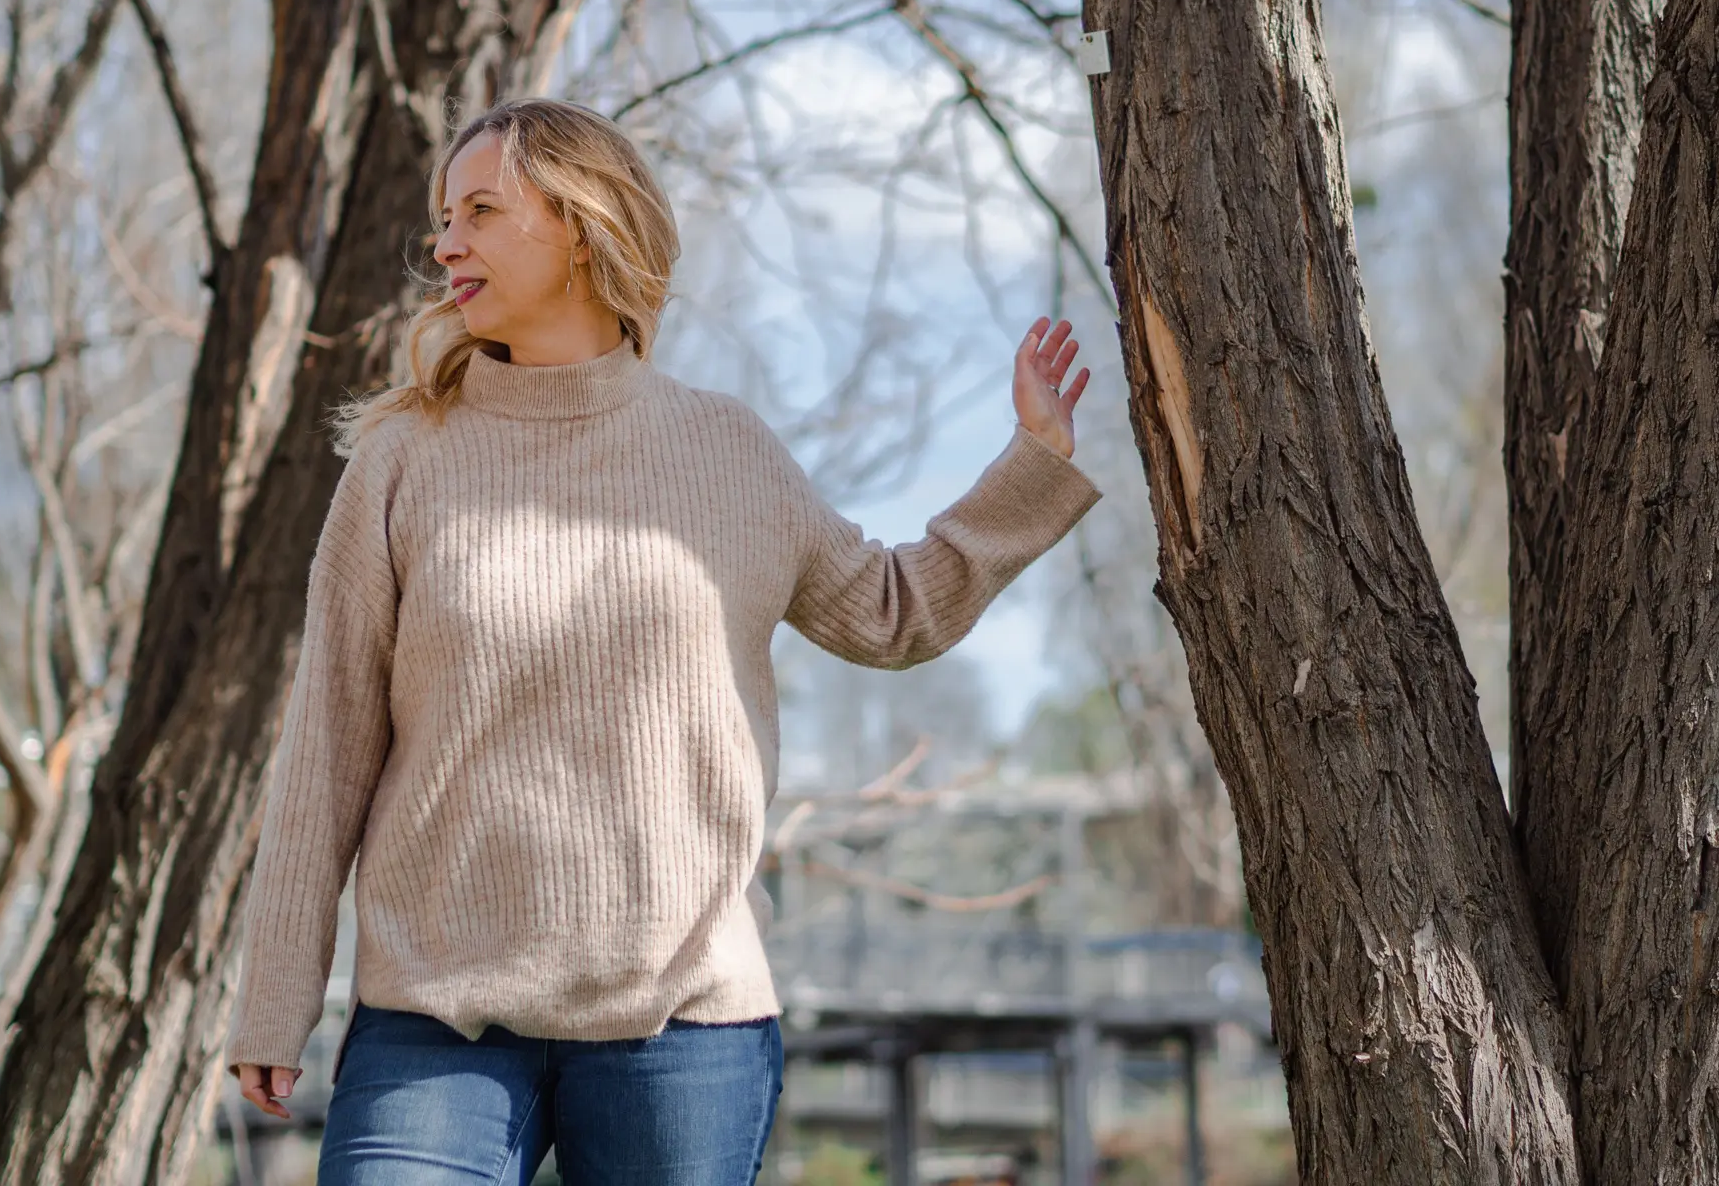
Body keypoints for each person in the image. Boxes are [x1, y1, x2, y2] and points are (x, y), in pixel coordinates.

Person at [221, 97, 1105, 1185]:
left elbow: (890, 610)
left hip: (686, 1022)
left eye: (483, 210)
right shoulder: (404, 458)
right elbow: (327, 747)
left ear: (583, 224)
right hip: (436, 1017)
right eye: (445, 217)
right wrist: (276, 997)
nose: (446, 243)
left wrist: (1030, 466)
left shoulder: (726, 451)